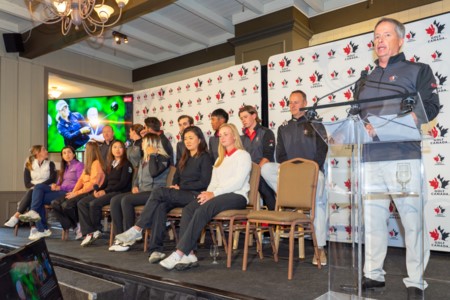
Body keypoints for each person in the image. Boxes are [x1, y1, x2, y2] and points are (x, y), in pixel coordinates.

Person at [357, 18, 440, 298]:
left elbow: (431, 105)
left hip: (403, 155)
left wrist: (407, 119)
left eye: (387, 34)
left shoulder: (418, 70)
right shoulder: (364, 80)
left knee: (412, 221)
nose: (380, 40)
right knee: (373, 220)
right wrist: (363, 125)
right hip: (371, 158)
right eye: (376, 36)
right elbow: (356, 113)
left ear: (400, 40)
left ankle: (416, 280)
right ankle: (373, 274)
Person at [159, 123, 251, 271]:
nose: (222, 138)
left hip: (237, 196)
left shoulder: (243, 155)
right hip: (218, 195)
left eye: (226, 134)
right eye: (220, 135)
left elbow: (237, 182)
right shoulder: (220, 159)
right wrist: (206, 194)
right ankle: (190, 253)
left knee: (204, 209)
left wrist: (213, 194)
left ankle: (179, 252)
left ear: (235, 136)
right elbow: (213, 183)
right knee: (190, 209)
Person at [110, 126, 213, 256]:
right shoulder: (184, 157)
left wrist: (181, 187)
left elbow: (204, 182)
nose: (187, 141)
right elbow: (176, 178)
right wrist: (176, 185)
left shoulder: (205, 157)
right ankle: (156, 249)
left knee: (159, 192)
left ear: (199, 140)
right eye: (185, 138)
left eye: (191, 138)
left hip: (196, 195)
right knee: (160, 206)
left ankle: (137, 228)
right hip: (181, 194)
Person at [260, 90, 328, 265]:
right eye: (290, 102)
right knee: (267, 168)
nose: (292, 105)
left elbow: (322, 151)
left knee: (318, 201)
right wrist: (291, 171)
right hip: (291, 174)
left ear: (305, 102)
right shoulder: (283, 127)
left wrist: (310, 168)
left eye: (296, 102)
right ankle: (291, 195)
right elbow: (281, 156)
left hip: (312, 172)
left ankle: (319, 248)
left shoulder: (316, 124)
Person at [109, 132, 171, 240]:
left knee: (126, 200)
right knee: (115, 200)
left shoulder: (163, 158)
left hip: (154, 192)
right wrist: (135, 185)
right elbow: (137, 177)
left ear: (151, 144)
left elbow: (153, 172)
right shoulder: (143, 159)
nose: (141, 144)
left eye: (144, 142)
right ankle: (119, 235)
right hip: (142, 191)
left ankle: (130, 235)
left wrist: (152, 155)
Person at [18, 146, 84, 240]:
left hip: (69, 192)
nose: (67, 155)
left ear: (74, 154)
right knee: (38, 191)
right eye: (64, 153)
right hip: (60, 190)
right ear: (62, 156)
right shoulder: (64, 167)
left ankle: (40, 226)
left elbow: (80, 183)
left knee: (37, 196)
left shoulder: (79, 165)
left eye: (69, 152)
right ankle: (42, 228)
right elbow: (60, 182)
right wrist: (55, 185)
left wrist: (60, 187)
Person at [77, 140, 133, 247]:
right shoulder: (111, 164)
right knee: (82, 203)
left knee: (94, 204)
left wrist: (105, 191)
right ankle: (90, 231)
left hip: (118, 192)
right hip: (107, 190)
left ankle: (97, 229)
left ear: (124, 150)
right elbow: (106, 181)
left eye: (120, 147)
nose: (117, 150)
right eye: (114, 147)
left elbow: (123, 183)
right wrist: (98, 190)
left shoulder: (127, 164)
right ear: (111, 150)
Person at [51, 142, 106, 235]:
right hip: (82, 191)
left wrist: (76, 193)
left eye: (86, 150)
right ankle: (74, 226)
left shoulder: (96, 164)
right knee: (55, 203)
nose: (85, 151)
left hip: (90, 192)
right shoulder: (88, 164)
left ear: (90, 151)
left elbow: (92, 184)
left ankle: (79, 226)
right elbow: (80, 180)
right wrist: (73, 192)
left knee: (66, 205)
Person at [5, 145, 57, 238]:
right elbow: (27, 184)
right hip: (34, 190)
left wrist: (39, 186)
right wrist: (37, 187)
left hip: (47, 190)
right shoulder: (28, 165)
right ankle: (34, 228)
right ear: (38, 153)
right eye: (44, 149)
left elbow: (52, 179)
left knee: (33, 192)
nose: (46, 151)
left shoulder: (50, 164)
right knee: (33, 194)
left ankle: (18, 217)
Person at [239, 105, 276, 210]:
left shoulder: (266, 132)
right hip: (248, 171)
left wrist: (255, 172)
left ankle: (274, 215)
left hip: (262, 171)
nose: (243, 120)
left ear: (254, 115)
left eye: (245, 117)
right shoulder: (241, 138)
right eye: (241, 118)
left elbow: (267, 156)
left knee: (262, 184)